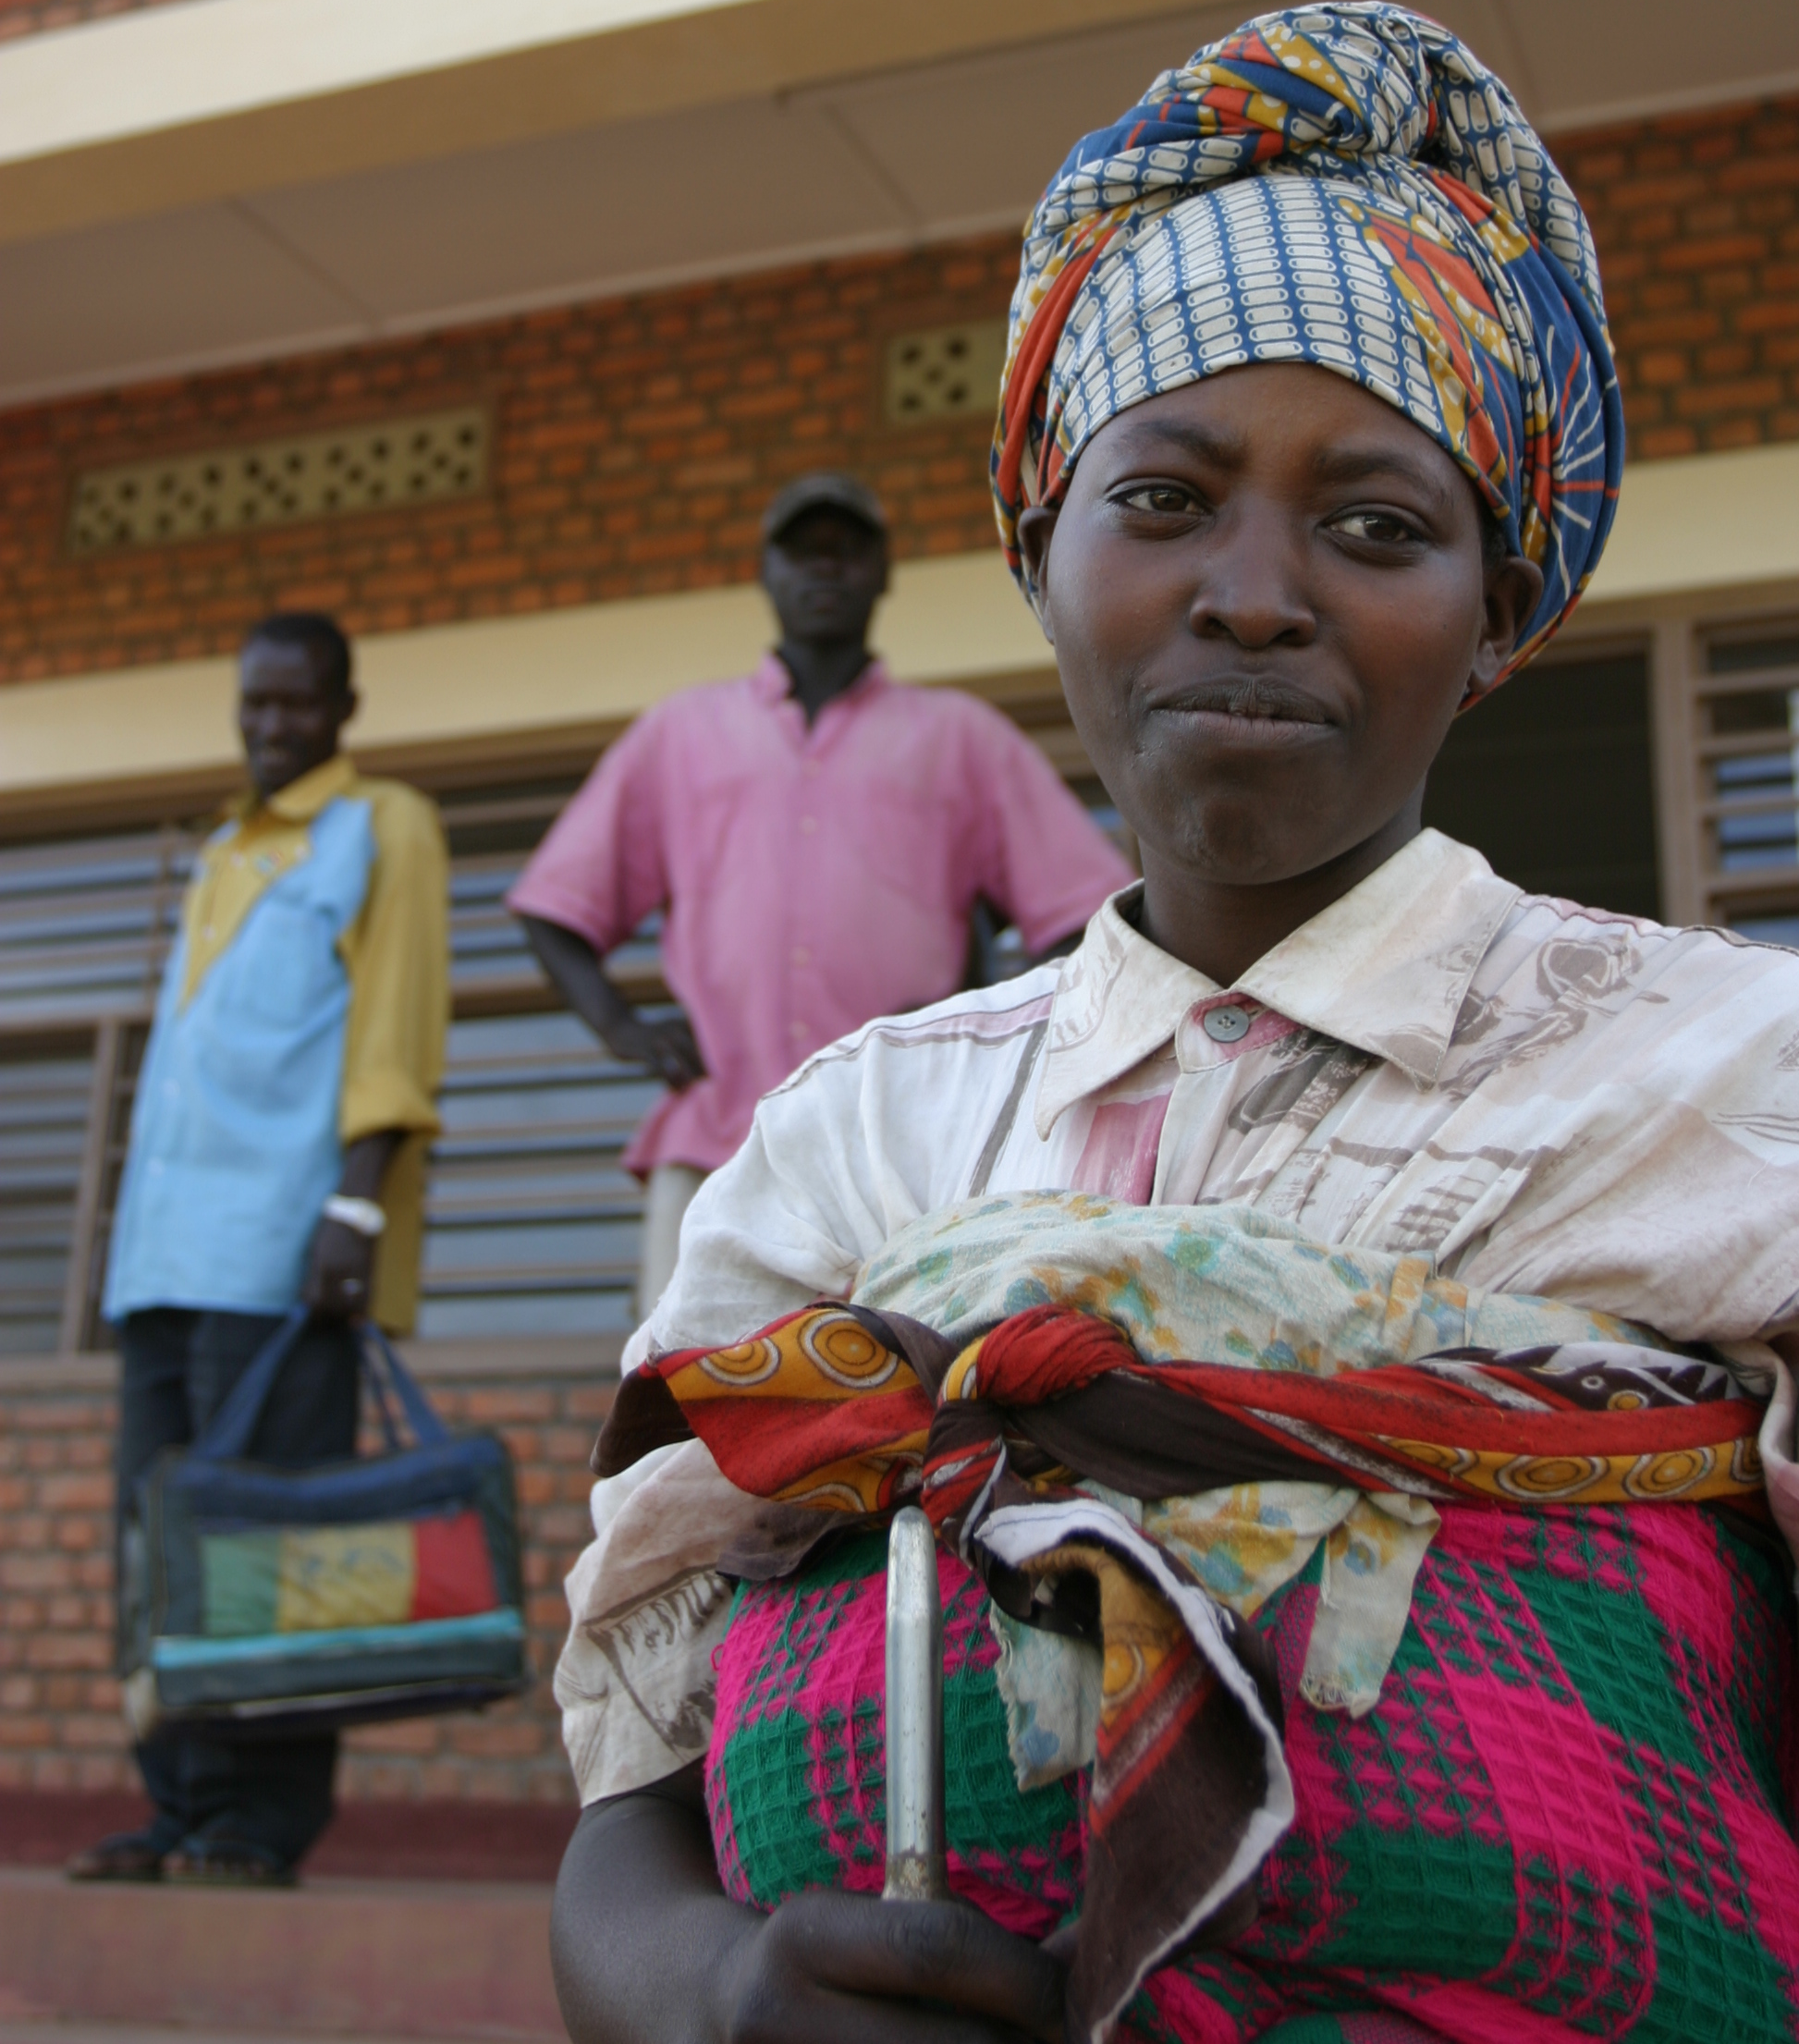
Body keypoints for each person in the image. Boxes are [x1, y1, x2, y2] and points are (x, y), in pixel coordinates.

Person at [548, 6, 1799, 2044]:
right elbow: (622, 1832)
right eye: (1161, 499)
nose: (1254, 593)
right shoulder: (853, 1149)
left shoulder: (1748, 1094)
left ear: (1498, 607)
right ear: (1038, 548)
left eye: (1375, 526)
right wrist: (724, 1993)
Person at [509, 472, 1126, 1316]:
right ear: (766, 572)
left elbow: (1081, 916)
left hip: (906, 1154)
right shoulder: (680, 734)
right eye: (804, 552)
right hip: (720, 1138)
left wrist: (984, 1027)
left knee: (899, 1412)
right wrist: (622, 1027)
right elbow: (554, 907)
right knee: (692, 1410)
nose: (825, 570)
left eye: (848, 552)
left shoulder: (961, 736)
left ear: (883, 574)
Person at [72, 612, 449, 1888]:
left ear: (343, 707)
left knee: (275, 1551)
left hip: (285, 1256)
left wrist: (356, 1211)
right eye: (255, 705)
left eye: (296, 705)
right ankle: (178, 1807)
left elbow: (394, 1026)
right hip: (162, 1261)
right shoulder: (225, 847)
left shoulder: (381, 824)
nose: (271, 726)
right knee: (163, 1538)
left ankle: (259, 1825)